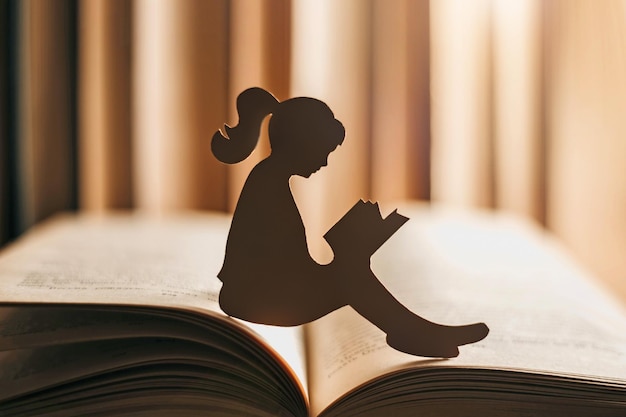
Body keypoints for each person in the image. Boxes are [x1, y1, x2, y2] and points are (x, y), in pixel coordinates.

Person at [212, 87, 488, 358]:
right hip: (252, 300)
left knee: (350, 272)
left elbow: (286, 263)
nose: (325, 162)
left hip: (259, 294)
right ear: (302, 144)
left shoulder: (270, 179)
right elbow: (283, 267)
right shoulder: (268, 184)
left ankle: (414, 332)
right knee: (349, 276)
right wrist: (350, 255)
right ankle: (414, 333)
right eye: (324, 151)